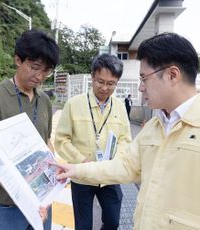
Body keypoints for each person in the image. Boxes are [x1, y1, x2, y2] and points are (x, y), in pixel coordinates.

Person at [53, 33, 200, 229]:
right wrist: (76, 169)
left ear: (172, 75)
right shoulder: (154, 126)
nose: (141, 88)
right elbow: (126, 167)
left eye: (144, 78)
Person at [0, 29, 59, 230]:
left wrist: (52, 183)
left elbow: (46, 142)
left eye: (46, 70)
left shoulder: (44, 100)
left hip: (42, 200)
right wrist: (30, 198)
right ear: (17, 60)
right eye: (35, 67)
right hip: (7, 204)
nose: (40, 76)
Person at [54, 54, 132, 230]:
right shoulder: (74, 104)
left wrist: (114, 163)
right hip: (81, 176)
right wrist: (82, 161)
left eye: (111, 83)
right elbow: (61, 140)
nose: (105, 87)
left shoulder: (119, 106)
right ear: (92, 77)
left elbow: (125, 139)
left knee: (113, 221)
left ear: (117, 82)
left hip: (109, 176)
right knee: (83, 226)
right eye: (100, 81)